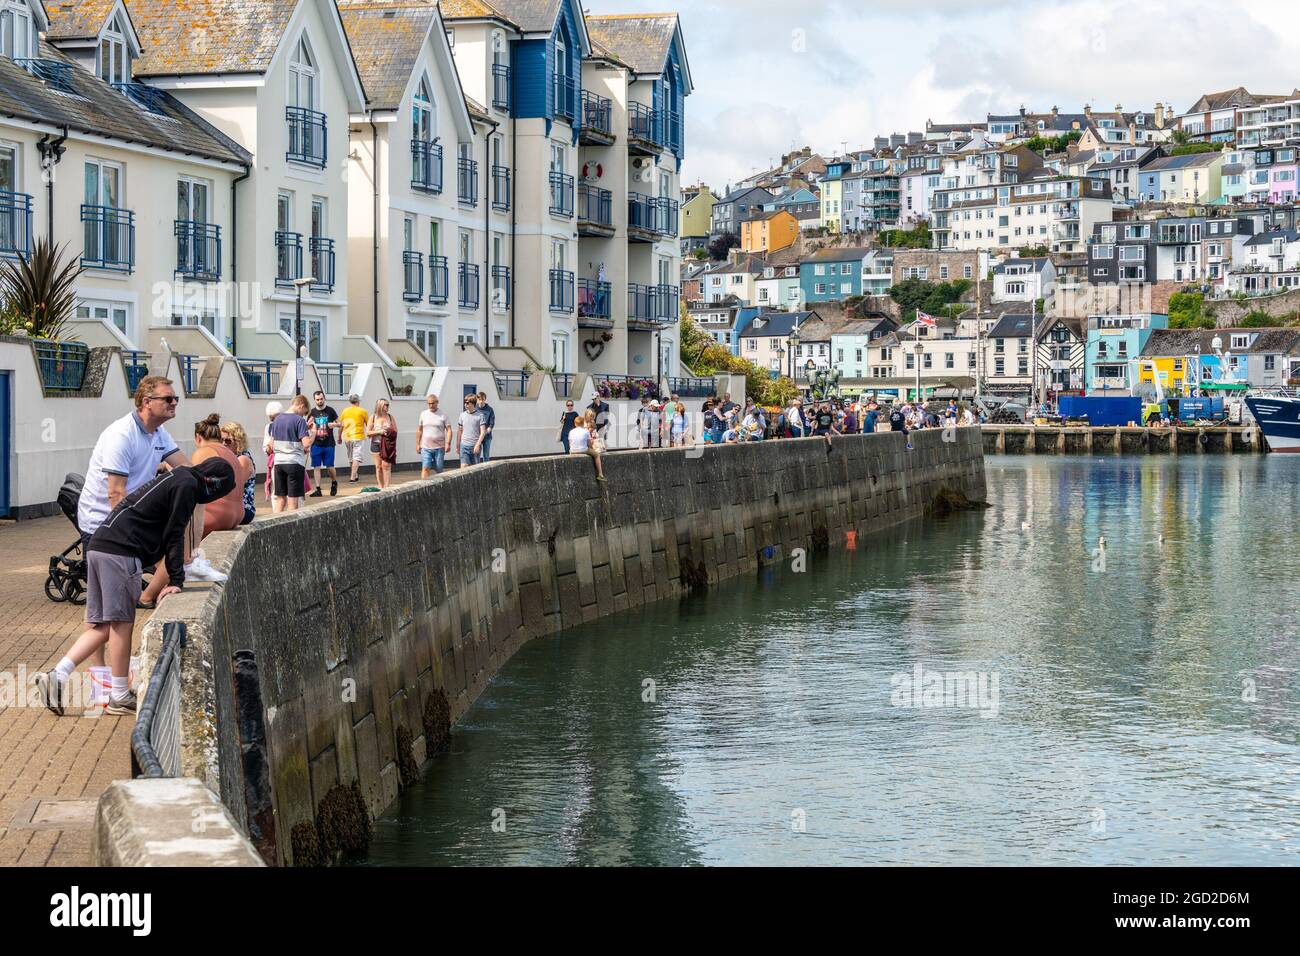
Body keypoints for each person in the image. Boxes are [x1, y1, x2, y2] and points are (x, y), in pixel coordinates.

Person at [36, 459, 236, 717]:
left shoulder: (178, 478)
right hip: (121, 552)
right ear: (215, 484)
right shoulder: (187, 485)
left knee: (102, 625)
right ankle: (118, 694)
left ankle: (59, 674)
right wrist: (175, 581)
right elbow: (174, 533)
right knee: (120, 623)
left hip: (100, 545)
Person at [139, 414, 250, 606]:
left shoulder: (202, 452)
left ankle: (147, 595)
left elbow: (190, 485)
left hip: (215, 515)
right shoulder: (231, 453)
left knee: (171, 542)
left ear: (198, 437)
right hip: (237, 514)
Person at [265, 396, 313, 512]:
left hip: (279, 463)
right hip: (294, 463)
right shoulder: (299, 420)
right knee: (293, 500)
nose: (303, 416)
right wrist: (314, 433)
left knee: (280, 499)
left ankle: (275, 524)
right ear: (301, 406)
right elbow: (306, 444)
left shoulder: (277, 419)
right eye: (304, 412)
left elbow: (270, 446)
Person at [220, 420, 258, 526]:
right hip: (232, 507)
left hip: (244, 509)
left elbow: (234, 486)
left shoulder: (243, 459)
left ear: (238, 441)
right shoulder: (228, 458)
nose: (223, 444)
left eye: (228, 441)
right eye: (221, 440)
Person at [305, 390, 341, 497]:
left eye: (321, 399)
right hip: (316, 443)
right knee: (316, 466)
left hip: (329, 443)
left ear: (324, 398)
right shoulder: (312, 413)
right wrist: (308, 425)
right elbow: (307, 427)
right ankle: (318, 489)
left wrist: (332, 425)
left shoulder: (330, 411)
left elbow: (339, 423)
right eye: (317, 399)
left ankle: (334, 482)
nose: (319, 401)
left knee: (330, 467)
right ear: (314, 400)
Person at [417, 394, 452, 478]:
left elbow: (449, 430)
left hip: (439, 447)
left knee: (439, 469)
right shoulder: (423, 414)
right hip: (425, 447)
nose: (431, 405)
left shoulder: (443, 415)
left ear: (437, 402)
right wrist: (418, 444)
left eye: (433, 403)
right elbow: (419, 430)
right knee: (425, 468)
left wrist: (448, 443)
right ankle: (423, 487)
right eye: (429, 403)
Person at [339, 394, 369, 483]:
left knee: (351, 457)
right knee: (356, 457)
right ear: (358, 401)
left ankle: (355, 475)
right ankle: (352, 477)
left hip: (347, 437)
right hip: (358, 436)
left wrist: (339, 436)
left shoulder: (345, 411)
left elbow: (341, 425)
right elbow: (368, 424)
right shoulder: (363, 411)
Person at [368, 398, 398, 488]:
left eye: (388, 405)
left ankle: (387, 487)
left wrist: (389, 431)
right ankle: (381, 486)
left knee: (386, 465)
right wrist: (379, 432)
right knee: (379, 466)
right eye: (386, 405)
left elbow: (396, 430)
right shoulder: (373, 417)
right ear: (380, 406)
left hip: (387, 445)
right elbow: (368, 432)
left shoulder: (390, 417)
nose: (388, 407)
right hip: (376, 444)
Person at [567, 411, 605, 481]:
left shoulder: (571, 431)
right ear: (582, 424)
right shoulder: (586, 431)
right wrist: (592, 449)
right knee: (597, 455)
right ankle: (600, 474)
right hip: (583, 449)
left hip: (572, 450)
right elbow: (589, 444)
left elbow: (570, 443)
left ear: (575, 424)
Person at [455, 395, 485, 467]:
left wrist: (478, 445)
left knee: (474, 469)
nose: (465, 404)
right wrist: (457, 445)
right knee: (463, 468)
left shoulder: (480, 415)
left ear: (473, 403)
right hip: (464, 446)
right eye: (465, 402)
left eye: (467, 403)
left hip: (474, 446)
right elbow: (459, 431)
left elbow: (483, 432)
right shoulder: (462, 415)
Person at [475, 393, 496, 462]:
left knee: (486, 456)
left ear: (485, 400)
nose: (481, 401)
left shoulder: (490, 409)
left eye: (483, 399)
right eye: (479, 399)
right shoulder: (475, 409)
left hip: (487, 437)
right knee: (476, 455)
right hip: (477, 436)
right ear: (477, 400)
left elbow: (492, 423)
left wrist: (488, 429)